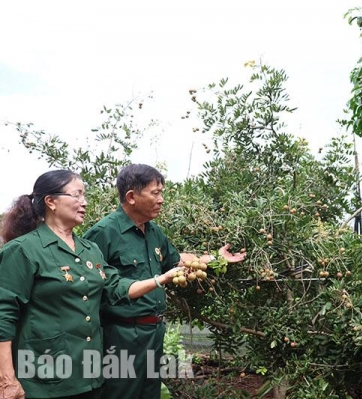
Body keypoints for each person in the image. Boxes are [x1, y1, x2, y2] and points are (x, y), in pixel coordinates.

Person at [0, 170, 183, 399]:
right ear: (51, 202)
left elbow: (115, 287)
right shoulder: (23, 251)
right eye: (76, 195)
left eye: (84, 195)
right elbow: (4, 315)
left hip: (88, 375)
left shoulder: (89, 250)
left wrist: (161, 279)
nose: (84, 202)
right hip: (43, 377)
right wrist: (6, 379)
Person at [83, 163, 246, 399]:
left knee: (149, 393)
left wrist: (215, 259)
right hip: (121, 333)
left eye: (162, 192)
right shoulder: (104, 233)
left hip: (153, 330)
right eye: (155, 192)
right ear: (131, 197)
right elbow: (93, 285)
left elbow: (177, 261)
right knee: (121, 392)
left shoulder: (153, 231)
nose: (161, 199)